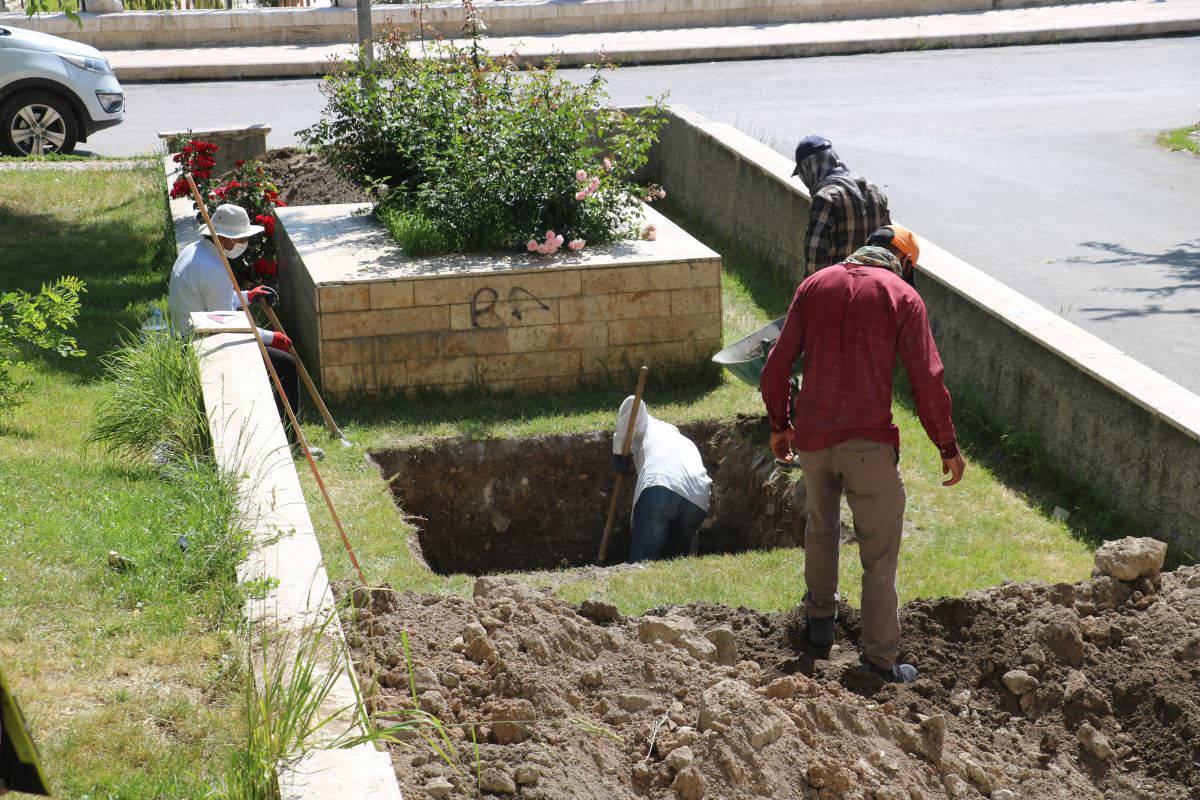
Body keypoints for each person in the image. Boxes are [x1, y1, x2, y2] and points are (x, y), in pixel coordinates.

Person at [759, 225, 965, 683]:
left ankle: (819, 626)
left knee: (821, 529)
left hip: (814, 442)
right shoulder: (902, 297)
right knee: (878, 554)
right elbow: (927, 379)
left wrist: (779, 425)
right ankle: (879, 661)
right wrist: (947, 445)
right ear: (904, 263)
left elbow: (774, 368)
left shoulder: (815, 285)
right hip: (869, 446)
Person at [167, 203, 301, 437]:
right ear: (222, 237)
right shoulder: (212, 268)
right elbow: (227, 323)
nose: (243, 243)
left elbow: (216, 300)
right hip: (200, 343)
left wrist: (249, 296)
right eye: (239, 239)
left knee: (277, 362)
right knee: (286, 365)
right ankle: (291, 438)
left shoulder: (196, 251)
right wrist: (271, 337)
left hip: (196, 331)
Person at [612, 397, 712, 562]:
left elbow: (633, 401)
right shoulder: (682, 441)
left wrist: (618, 450)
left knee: (642, 566)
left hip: (661, 488)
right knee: (671, 568)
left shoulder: (649, 424)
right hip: (698, 500)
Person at [792, 135, 892, 279]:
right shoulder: (875, 192)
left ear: (808, 169)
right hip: (871, 285)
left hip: (836, 286)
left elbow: (814, 253)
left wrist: (810, 287)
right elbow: (889, 242)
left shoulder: (825, 198)